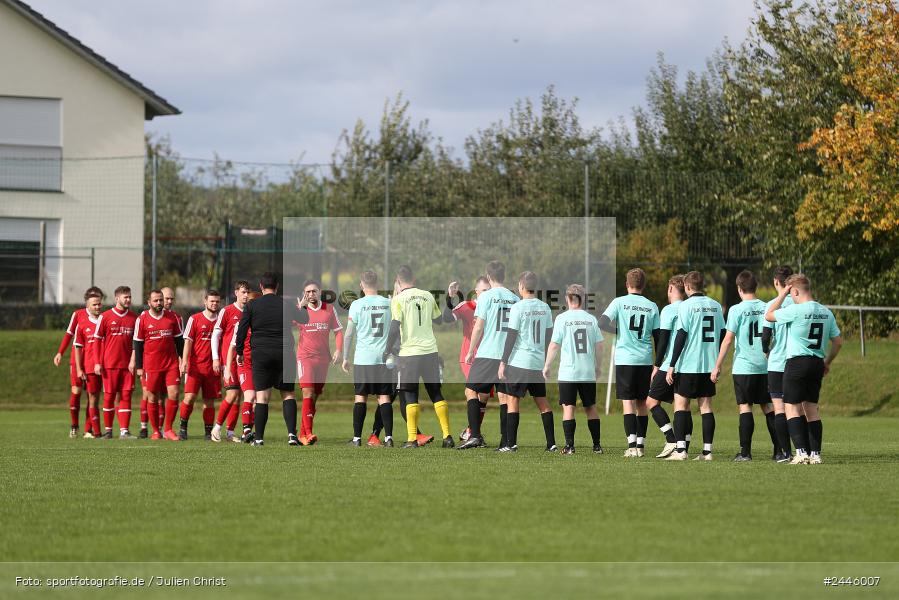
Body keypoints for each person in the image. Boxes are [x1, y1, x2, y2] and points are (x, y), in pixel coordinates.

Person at [765, 273, 842, 465]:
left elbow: (769, 315)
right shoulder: (826, 312)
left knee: (791, 407)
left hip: (797, 363)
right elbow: (838, 342)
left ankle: (800, 453)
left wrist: (782, 294)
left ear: (795, 291)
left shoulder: (796, 310)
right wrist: (827, 362)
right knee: (811, 409)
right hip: (817, 363)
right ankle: (815, 454)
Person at [234, 272, 310, 447]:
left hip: (261, 354)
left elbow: (242, 330)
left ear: (261, 287)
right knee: (288, 394)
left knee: (262, 396)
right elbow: (304, 319)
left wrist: (239, 352)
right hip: (285, 353)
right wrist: (304, 307)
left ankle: (259, 438)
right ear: (277, 287)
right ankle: (292, 435)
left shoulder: (252, 305)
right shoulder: (287, 304)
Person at [711, 270, 780, 462]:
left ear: (739, 289)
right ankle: (779, 451)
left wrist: (717, 365)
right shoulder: (768, 307)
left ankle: (745, 453)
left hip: (744, 367)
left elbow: (728, 340)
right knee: (768, 407)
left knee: (745, 407)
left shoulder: (736, 310)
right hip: (765, 366)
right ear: (756, 287)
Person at [384, 265, 453, 448]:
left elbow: (394, 327)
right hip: (430, 352)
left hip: (409, 354)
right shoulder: (428, 295)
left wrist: (387, 349)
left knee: (410, 395)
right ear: (413, 279)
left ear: (398, 281)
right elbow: (438, 320)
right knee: (436, 393)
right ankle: (447, 436)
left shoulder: (398, 299)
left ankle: (412, 439)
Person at [458, 261, 519, 450]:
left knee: (470, 390)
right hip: (508, 355)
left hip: (488, 352)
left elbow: (478, 326)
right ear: (504, 275)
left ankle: (475, 435)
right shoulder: (515, 298)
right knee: (505, 397)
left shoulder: (486, 297)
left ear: (488, 276)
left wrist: (470, 351)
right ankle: (506, 441)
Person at [599, 268, 660, 457]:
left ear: (627, 284)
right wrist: (658, 363)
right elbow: (658, 336)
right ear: (644, 285)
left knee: (628, 403)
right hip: (645, 359)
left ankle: (631, 446)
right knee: (642, 403)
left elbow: (602, 322)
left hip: (625, 359)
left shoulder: (619, 302)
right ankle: (640, 447)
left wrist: (619, 331)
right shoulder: (652, 306)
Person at [665, 271, 725, 461]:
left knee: (680, 405)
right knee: (706, 407)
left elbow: (681, 335)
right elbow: (722, 335)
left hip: (688, 364)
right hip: (709, 365)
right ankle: (707, 452)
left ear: (687, 287)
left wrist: (672, 365)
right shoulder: (716, 306)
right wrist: (717, 361)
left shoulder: (685, 306)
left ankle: (681, 451)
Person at [497, 271, 556, 452]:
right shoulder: (545, 307)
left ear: (521, 286)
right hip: (537, 363)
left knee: (513, 400)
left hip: (520, 362)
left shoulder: (518, 307)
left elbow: (511, 336)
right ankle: (551, 444)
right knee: (542, 402)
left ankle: (511, 444)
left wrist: (503, 362)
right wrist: (546, 362)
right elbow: (548, 337)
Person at [543, 284, 604, 454]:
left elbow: (554, 345)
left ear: (567, 299)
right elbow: (599, 346)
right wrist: (598, 366)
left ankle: (569, 446)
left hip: (568, 372)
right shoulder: (591, 319)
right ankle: (597, 446)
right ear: (583, 299)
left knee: (569, 407)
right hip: (587, 372)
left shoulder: (562, 318)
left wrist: (547, 365)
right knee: (590, 407)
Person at [342, 271, 394, 447]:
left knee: (360, 397)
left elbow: (349, 334)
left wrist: (345, 357)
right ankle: (388, 438)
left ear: (361, 285)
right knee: (384, 397)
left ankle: (357, 439)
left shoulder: (357, 305)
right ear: (377, 283)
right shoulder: (388, 303)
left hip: (363, 359)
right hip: (383, 359)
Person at [295, 279, 344, 445]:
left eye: (313, 291)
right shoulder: (300, 310)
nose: (311, 294)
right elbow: (285, 325)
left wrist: (338, 350)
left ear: (319, 292)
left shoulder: (329, 309)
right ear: (304, 294)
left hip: (323, 359)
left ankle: (302, 434)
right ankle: (309, 433)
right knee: (308, 393)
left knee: (314, 396)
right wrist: (298, 309)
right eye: (307, 292)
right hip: (305, 358)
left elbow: (338, 331)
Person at [444, 276, 492, 443]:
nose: (486, 294)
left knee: (484, 396)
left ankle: (472, 431)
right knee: (473, 391)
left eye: (489, 290)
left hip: (488, 358)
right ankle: (474, 434)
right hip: (469, 358)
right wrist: (450, 297)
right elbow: (447, 318)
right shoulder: (467, 306)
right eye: (483, 290)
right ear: (476, 291)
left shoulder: (494, 306)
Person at [132, 289, 184, 440]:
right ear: (149, 302)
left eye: (161, 300)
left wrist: (183, 360)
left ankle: (168, 429)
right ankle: (156, 431)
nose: (159, 303)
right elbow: (138, 344)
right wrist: (139, 367)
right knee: (152, 397)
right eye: (156, 300)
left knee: (174, 393)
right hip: (151, 365)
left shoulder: (172, 317)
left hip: (171, 364)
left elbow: (179, 342)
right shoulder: (142, 319)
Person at [53, 286, 104, 437]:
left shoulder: (102, 318)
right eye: (94, 301)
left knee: (91, 395)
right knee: (76, 391)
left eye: (99, 301)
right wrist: (60, 352)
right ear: (87, 302)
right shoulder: (78, 315)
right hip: (77, 360)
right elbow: (69, 334)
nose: (97, 305)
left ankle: (88, 429)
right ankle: (74, 425)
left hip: (93, 361)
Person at [646, 275, 685, 458]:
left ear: (670, 288)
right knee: (682, 406)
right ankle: (683, 447)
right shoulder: (689, 307)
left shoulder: (669, 310)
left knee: (651, 402)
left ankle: (671, 440)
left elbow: (663, 341)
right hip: (688, 365)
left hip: (670, 363)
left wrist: (657, 365)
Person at [761, 266, 796, 462]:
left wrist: (766, 351)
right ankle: (806, 450)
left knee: (779, 409)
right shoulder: (800, 303)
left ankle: (786, 453)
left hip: (776, 363)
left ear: (776, 282)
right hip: (796, 361)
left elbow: (765, 336)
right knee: (800, 409)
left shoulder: (772, 305)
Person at [94, 286, 138, 439]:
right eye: (125, 297)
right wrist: (97, 362)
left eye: (129, 297)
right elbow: (97, 340)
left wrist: (135, 361)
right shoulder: (105, 317)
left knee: (126, 396)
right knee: (109, 397)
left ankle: (124, 431)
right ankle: (108, 431)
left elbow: (137, 343)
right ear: (117, 298)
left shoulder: (135, 318)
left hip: (128, 366)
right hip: (110, 365)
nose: (128, 300)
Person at [210, 280, 251, 443]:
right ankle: (216, 428)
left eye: (247, 292)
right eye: (243, 292)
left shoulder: (251, 311)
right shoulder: (227, 311)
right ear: (236, 293)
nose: (246, 295)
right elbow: (216, 335)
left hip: (245, 360)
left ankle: (230, 432)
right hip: (230, 360)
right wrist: (215, 358)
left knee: (239, 396)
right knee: (232, 393)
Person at [179, 289, 222, 440]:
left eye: (217, 301)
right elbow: (188, 341)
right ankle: (183, 428)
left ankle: (208, 432)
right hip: (195, 367)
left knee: (209, 401)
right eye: (212, 301)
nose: (214, 304)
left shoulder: (221, 320)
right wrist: (184, 361)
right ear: (205, 302)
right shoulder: (195, 319)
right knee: (190, 397)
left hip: (213, 367)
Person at [72, 292, 104, 438]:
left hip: (108, 366)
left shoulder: (106, 320)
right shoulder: (82, 324)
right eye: (94, 305)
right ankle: (95, 432)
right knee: (93, 398)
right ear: (88, 306)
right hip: (91, 367)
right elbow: (77, 348)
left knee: (109, 398)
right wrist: (79, 369)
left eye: (99, 304)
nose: (97, 307)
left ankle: (112, 430)